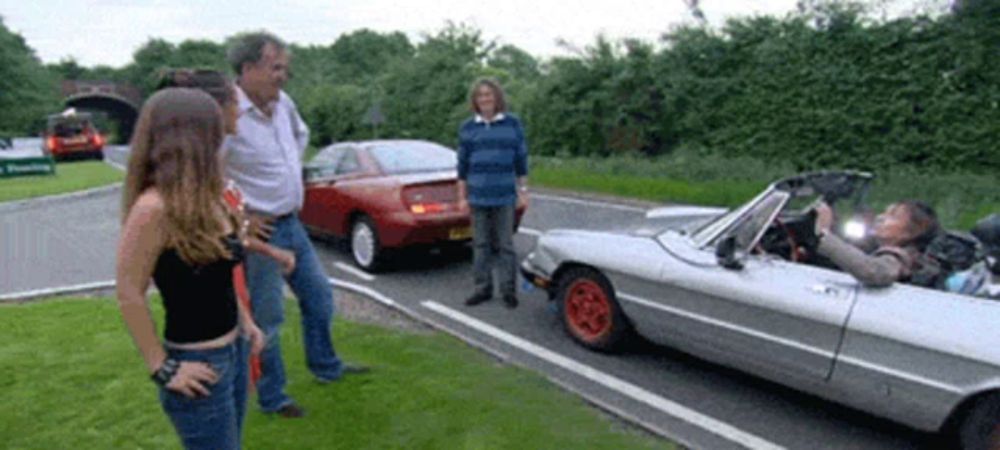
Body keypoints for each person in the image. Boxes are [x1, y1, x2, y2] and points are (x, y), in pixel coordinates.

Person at [223, 32, 366, 419]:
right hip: (261, 233)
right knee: (268, 318)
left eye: (285, 67)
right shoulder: (227, 113)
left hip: (293, 224)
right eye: (276, 67)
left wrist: (286, 171)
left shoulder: (283, 103)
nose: (283, 76)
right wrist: (241, 216)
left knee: (319, 298)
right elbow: (209, 174)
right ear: (248, 68)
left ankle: (326, 367)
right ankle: (273, 397)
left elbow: (300, 135)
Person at [115, 88, 268, 450]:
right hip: (198, 365)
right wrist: (162, 367)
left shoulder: (210, 198)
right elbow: (128, 291)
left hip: (234, 352)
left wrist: (246, 323)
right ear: (195, 136)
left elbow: (220, 275)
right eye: (215, 129)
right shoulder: (153, 209)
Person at [457, 78, 529, 309]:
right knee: (481, 245)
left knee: (505, 245)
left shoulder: (512, 124)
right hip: (477, 196)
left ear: (497, 97)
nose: (485, 99)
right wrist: (461, 197)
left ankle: (508, 291)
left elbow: (521, 159)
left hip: (504, 195)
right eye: (480, 96)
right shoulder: (468, 128)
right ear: (475, 101)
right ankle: (482, 288)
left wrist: (523, 191)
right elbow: (462, 166)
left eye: (489, 94)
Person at [813, 200, 940, 287]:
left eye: (893, 216)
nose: (880, 217)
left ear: (910, 233)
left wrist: (824, 235)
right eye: (884, 213)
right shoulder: (874, 245)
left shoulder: (902, 258)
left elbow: (873, 271)